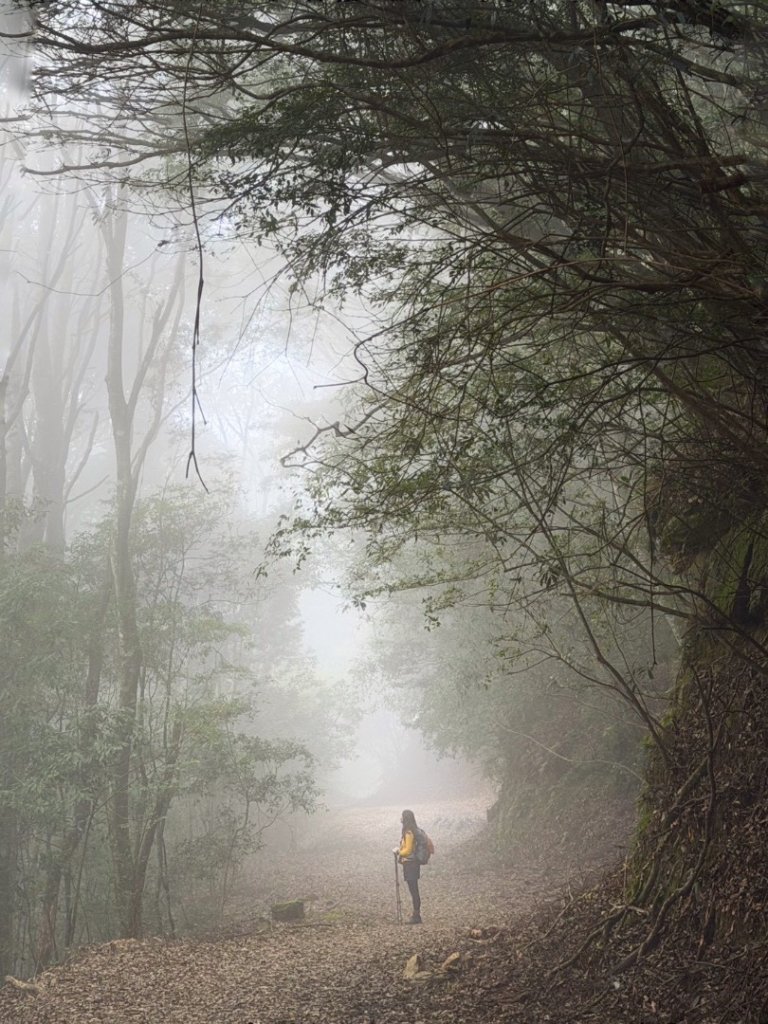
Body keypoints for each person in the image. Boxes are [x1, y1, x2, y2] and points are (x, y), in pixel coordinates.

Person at [397, 808, 422, 924]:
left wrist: (398, 852)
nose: (400, 818)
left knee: (413, 889)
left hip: (410, 864)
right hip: (412, 864)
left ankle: (416, 916)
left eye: (402, 816)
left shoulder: (408, 833)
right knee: (414, 889)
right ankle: (416, 914)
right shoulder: (410, 831)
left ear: (405, 818)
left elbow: (407, 850)